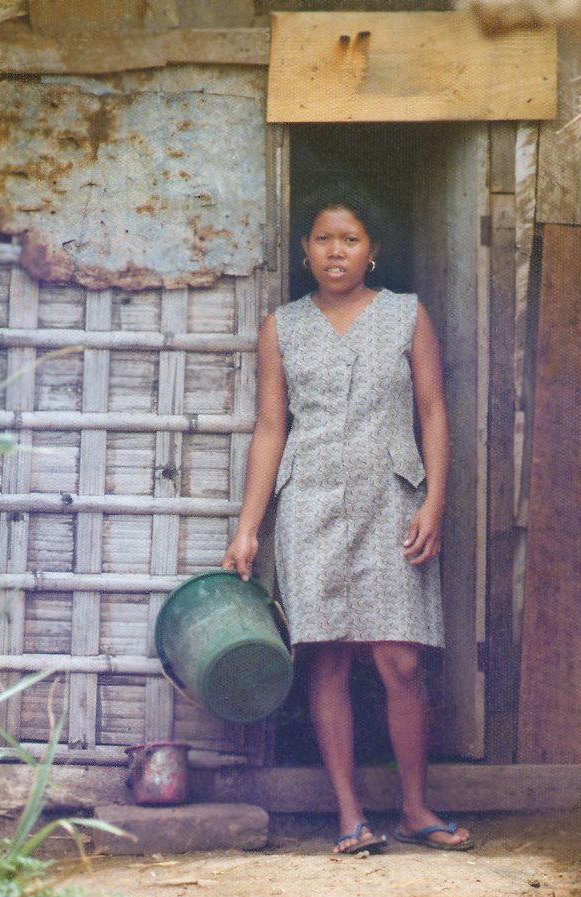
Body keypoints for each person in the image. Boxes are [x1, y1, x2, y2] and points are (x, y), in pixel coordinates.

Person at [222, 185, 473, 854]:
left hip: (392, 498)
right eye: (323, 239)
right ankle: (349, 817)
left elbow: (432, 414)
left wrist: (435, 502)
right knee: (325, 658)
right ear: (305, 251)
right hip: (310, 505)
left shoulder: (405, 315)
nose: (337, 250)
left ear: (372, 252)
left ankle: (416, 808)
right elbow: (271, 427)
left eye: (350, 239)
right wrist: (249, 525)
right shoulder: (282, 326)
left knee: (399, 660)